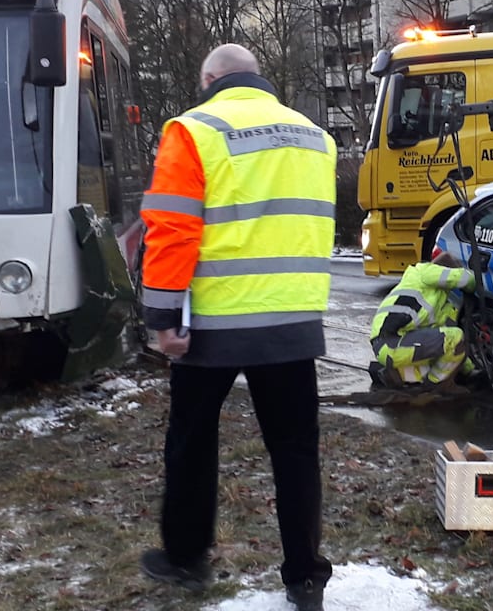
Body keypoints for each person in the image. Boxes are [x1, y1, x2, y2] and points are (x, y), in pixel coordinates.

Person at [137, 44, 337, 611]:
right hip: (292, 323)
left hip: (214, 324)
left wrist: (165, 318)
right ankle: (305, 579)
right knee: (296, 451)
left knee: (193, 443)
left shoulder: (193, 129)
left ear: (209, 78)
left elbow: (172, 231)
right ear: (257, 76)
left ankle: (185, 559)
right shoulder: (314, 136)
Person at [369, 252, 475, 388]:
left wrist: (468, 370)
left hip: (392, 345)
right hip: (390, 343)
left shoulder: (438, 301)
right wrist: (476, 285)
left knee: (442, 353)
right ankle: (436, 385)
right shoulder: (423, 271)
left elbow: (453, 346)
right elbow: (466, 279)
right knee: (454, 337)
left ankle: (396, 374)